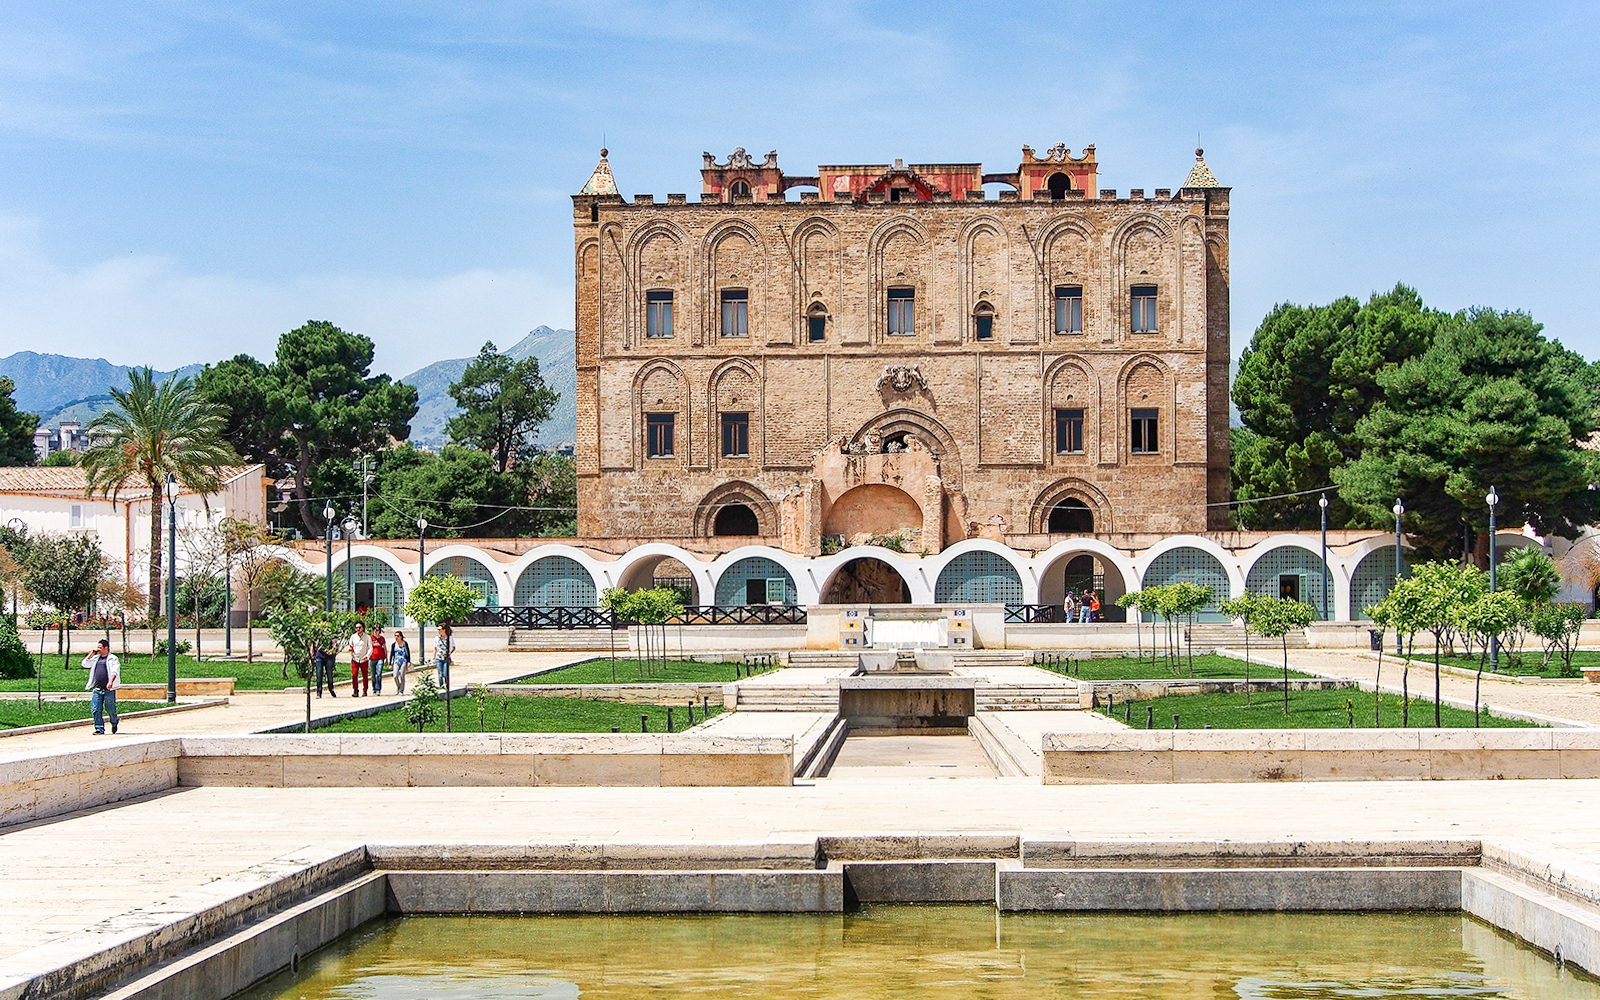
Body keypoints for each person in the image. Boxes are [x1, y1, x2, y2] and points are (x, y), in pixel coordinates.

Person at [82, 638, 120, 735]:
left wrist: (111, 681)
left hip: (109, 689)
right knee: (95, 709)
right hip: (97, 689)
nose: (98, 649)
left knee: (110, 709)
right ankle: (99, 728)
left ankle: (114, 722)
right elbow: (85, 664)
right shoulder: (95, 658)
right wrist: (91, 653)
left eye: (100, 647)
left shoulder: (113, 659)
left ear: (106, 648)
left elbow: (115, 671)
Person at [347, 622, 371, 697]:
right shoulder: (353, 637)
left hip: (364, 659)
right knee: (354, 675)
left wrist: (367, 656)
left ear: (363, 628)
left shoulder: (367, 637)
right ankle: (355, 691)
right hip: (355, 659)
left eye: (359, 627)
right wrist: (350, 650)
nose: (358, 629)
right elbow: (350, 646)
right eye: (356, 628)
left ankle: (365, 690)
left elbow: (370, 647)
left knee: (365, 675)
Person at [434, 623, 455, 690]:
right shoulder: (437, 638)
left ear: (444, 630)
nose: (439, 631)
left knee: (445, 673)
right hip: (438, 658)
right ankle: (441, 687)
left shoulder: (449, 638)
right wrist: (434, 658)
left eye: (440, 629)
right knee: (440, 674)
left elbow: (453, 647)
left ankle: (447, 685)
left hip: (446, 658)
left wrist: (449, 653)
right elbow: (435, 649)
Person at [369, 625, 387, 696]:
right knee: (373, 675)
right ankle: (374, 688)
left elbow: (385, 648)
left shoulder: (382, 639)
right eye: (375, 630)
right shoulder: (370, 638)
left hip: (380, 658)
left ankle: (378, 689)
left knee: (379, 674)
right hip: (372, 658)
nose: (376, 631)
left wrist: (386, 658)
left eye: (377, 630)